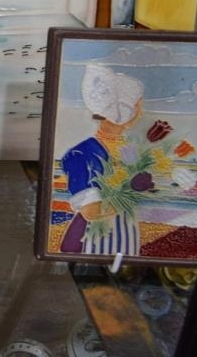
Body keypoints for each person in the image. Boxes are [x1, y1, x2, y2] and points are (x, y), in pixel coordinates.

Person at [58, 64, 148, 255]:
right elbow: (91, 211)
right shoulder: (81, 154)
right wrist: (130, 192)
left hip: (127, 232)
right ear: (121, 112)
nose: (141, 113)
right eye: (137, 107)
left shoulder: (130, 149)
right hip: (96, 237)